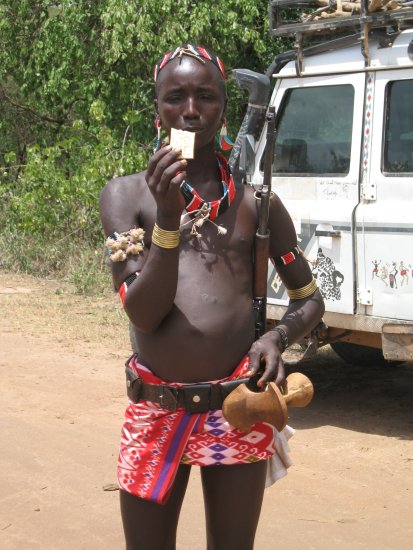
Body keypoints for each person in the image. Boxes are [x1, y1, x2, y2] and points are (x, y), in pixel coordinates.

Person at [100, 44, 325, 550]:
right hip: (155, 409)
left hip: (237, 407)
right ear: (157, 108)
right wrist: (166, 217)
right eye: (174, 97)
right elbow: (143, 309)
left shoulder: (256, 206)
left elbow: (309, 298)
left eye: (206, 97)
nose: (191, 111)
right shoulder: (125, 196)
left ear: (224, 108)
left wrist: (276, 338)